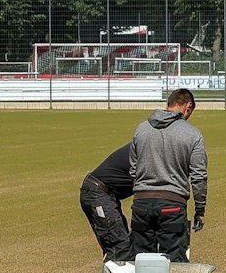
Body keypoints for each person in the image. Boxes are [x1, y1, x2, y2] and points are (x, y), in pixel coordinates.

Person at [129, 88, 207, 262]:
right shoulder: (193, 134)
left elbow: (133, 169)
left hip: (141, 204)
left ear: (168, 104)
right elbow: (198, 177)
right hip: (172, 204)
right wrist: (200, 210)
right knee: (174, 264)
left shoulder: (141, 129)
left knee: (141, 262)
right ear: (188, 106)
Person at [78, 143, 136, 262]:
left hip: (105, 193)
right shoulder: (147, 148)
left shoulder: (148, 143)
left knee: (121, 242)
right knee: (118, 245)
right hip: (97, 192)